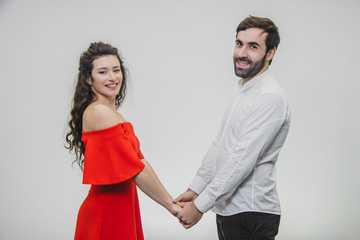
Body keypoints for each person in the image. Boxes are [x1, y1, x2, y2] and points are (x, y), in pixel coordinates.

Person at [175, 16, 291, 240]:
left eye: (253, 46)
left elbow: (241, 160)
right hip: (229, 210)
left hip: (253, 212)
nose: (242, 53)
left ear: (271, 53)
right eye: (239, 43)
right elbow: (221, 145)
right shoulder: (240, 91)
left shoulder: (271, 97)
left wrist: (199, 206)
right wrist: (195, 189)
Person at [65, 42, 181, 240]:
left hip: (122, 211)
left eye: (116, 70)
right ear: (88, 79)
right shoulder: (99, 113)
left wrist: (173, 201)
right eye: (103, 72)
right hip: (106, 213)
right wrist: (172, 206)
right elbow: (136, 169)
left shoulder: (111, 114)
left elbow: (140, 161)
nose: (112, 77)